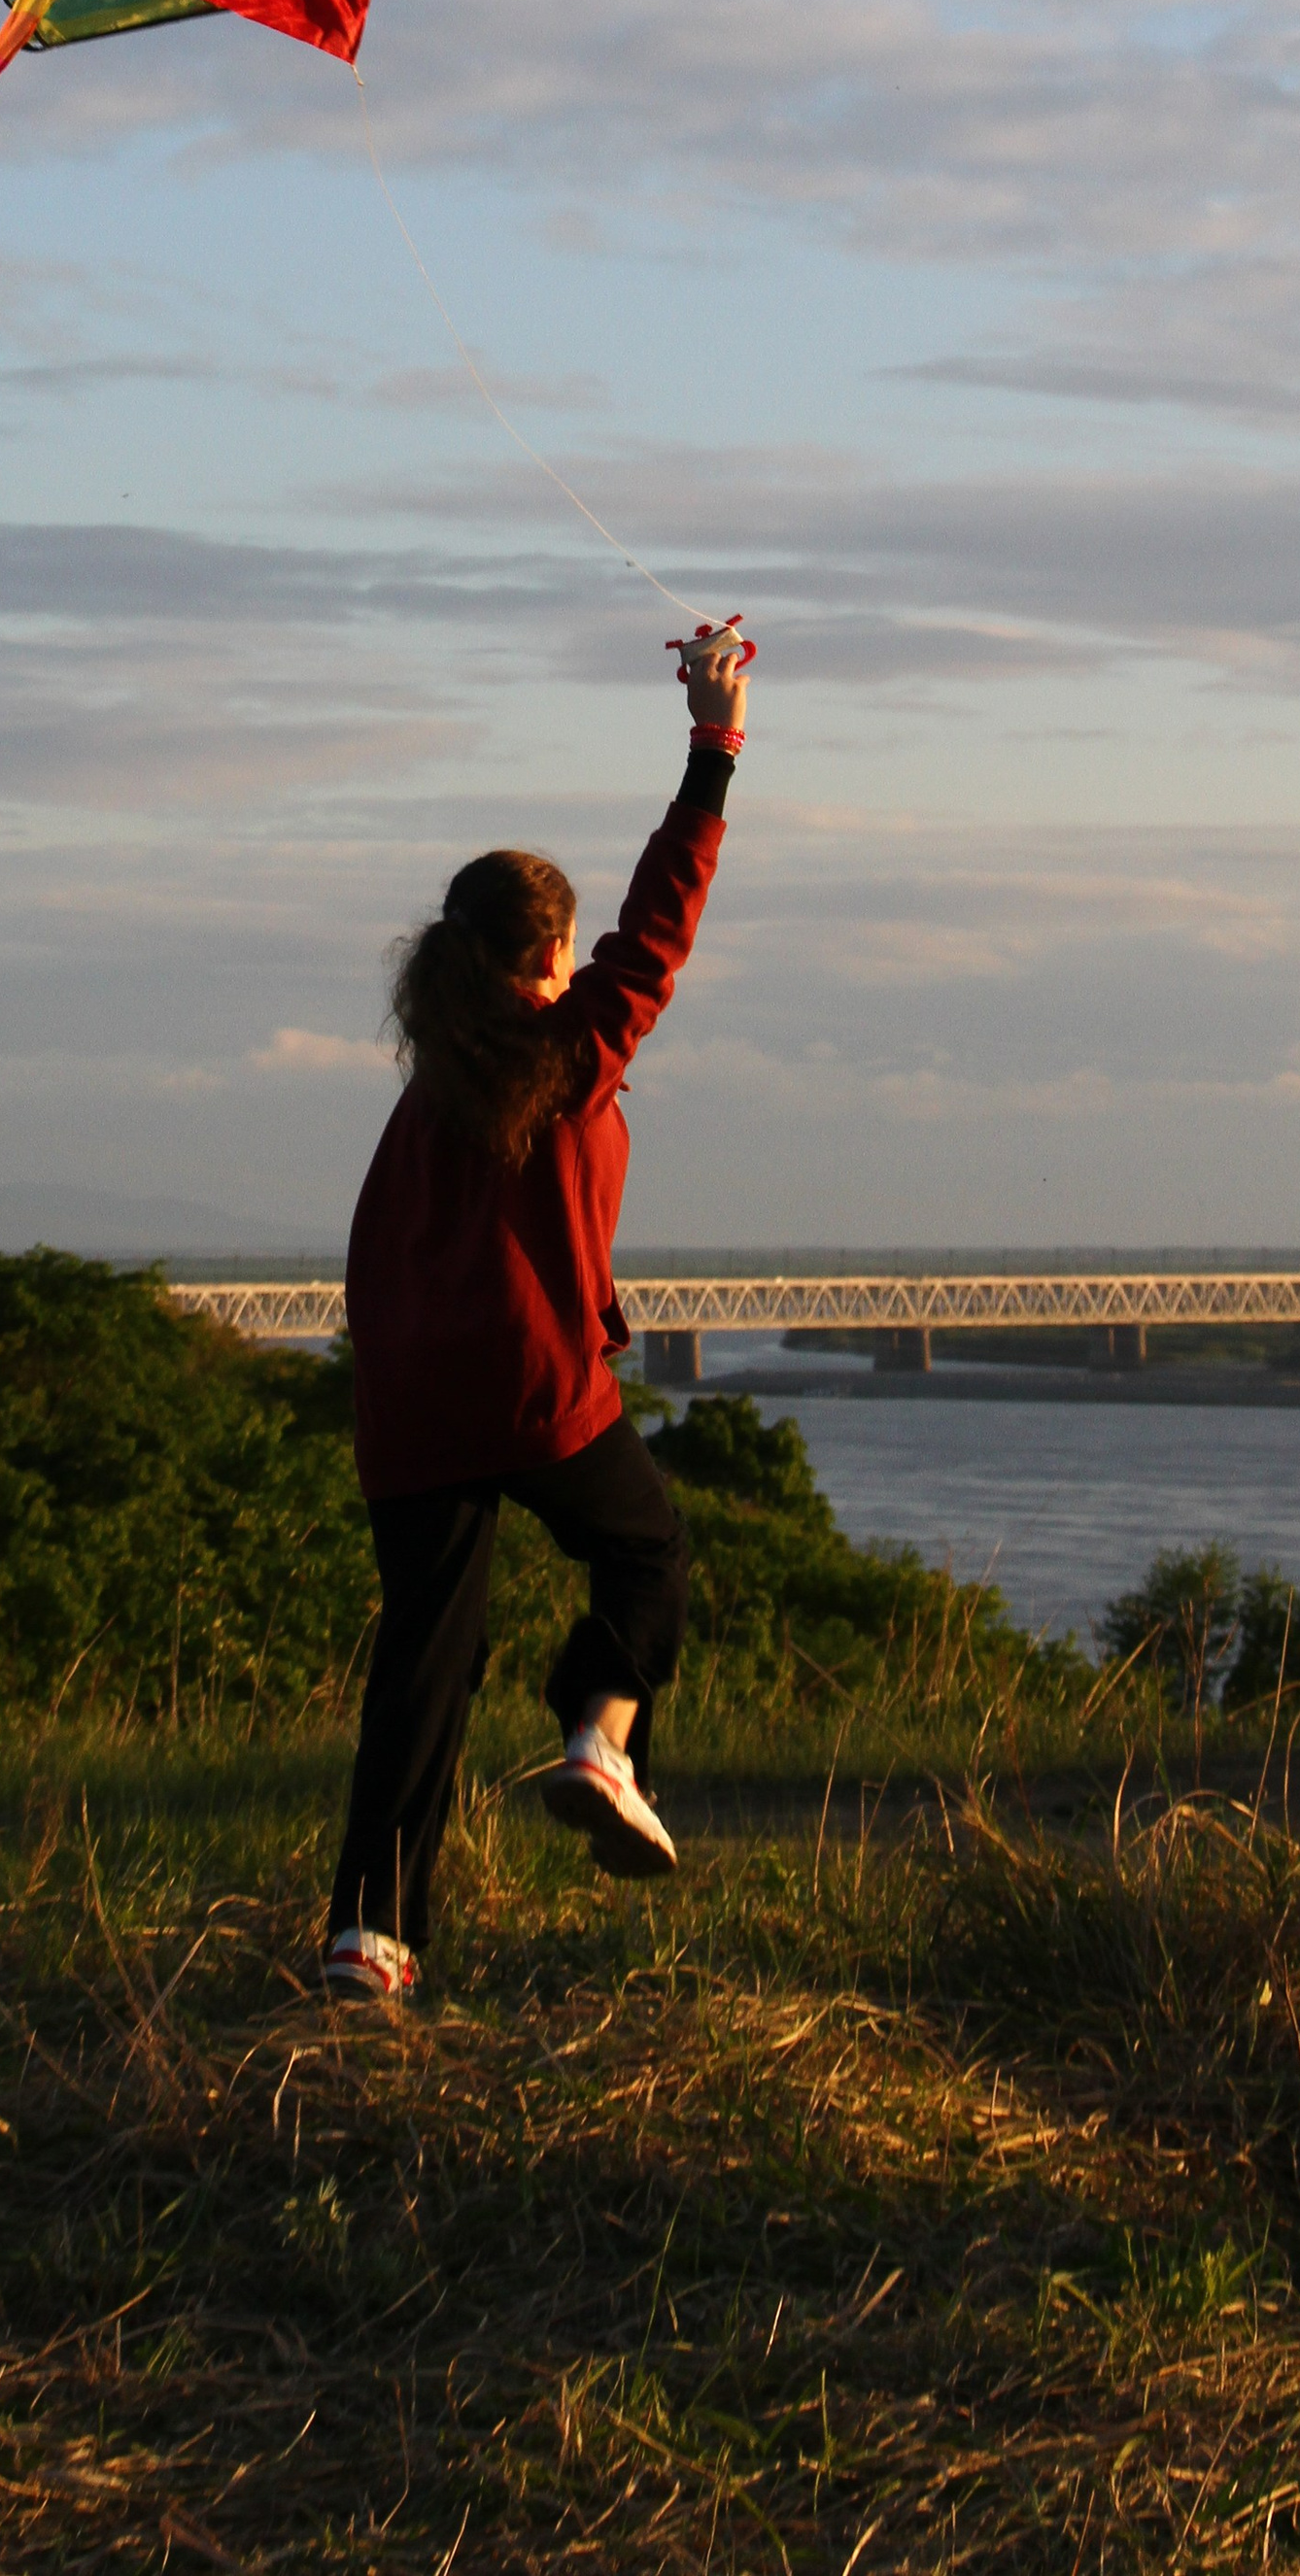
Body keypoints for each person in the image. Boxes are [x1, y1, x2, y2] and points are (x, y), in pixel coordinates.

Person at [322, 625, 749, 2009]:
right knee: (645, 1554)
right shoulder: (572, 1053)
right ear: (552, 955)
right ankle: (599, 1738)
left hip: (410, 1406)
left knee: (421, 1668)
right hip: (534, 1391)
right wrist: (713, 738)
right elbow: (666, 913)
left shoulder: (428, 1080)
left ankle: (369, 1941)